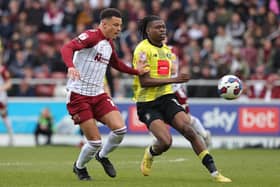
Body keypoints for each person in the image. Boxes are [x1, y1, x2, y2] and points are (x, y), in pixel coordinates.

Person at [132, 15, 231, 182]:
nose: (162, 30)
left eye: (163, 27)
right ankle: (150, 152)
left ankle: (214, 172)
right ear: (148, 30)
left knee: (189, 130)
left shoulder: (168, 52)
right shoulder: (142, 50)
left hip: (166, 98)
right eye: (158, 27)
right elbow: (145, 81)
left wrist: (174, 84)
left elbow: (166, 79)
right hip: (147, 104)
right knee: (165, 142)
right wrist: (174, 79)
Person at [60, 8, 148, 181]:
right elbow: (67, 48)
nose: (118, 29)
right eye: (115, 25)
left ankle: (102, 156)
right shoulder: (91, 36)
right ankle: (80, 167)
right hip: (79, 95)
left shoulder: (109, 44)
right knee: (94, 142)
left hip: (98, 94)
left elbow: (117, 64)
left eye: (120, 25)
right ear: (104, 24)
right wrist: (70, 66)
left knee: (120, 129)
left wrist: (137, 71)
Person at [0, 60, 14, 146]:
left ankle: (11, 137)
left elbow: (9, 83)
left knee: (4, 116)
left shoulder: (2, 70)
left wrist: (1, 89)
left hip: (1, 98)